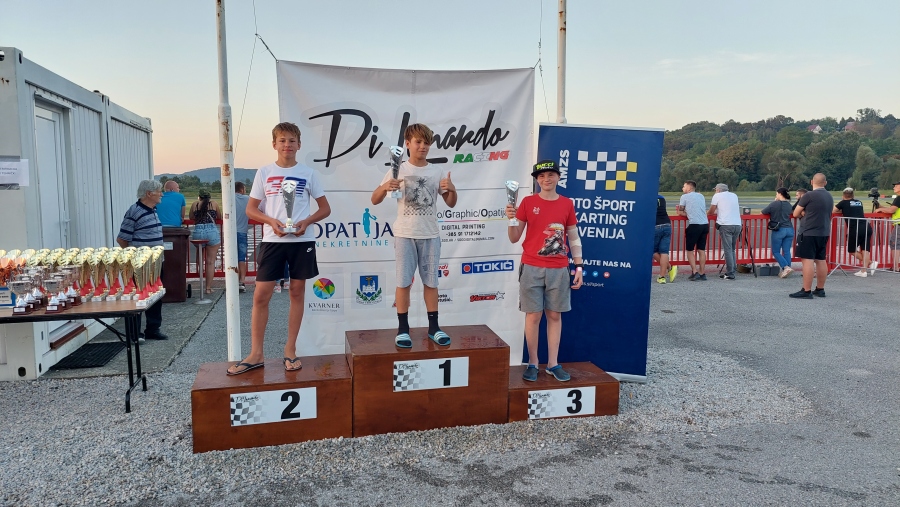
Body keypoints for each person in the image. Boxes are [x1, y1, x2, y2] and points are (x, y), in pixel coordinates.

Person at [227, 122, 331, 376]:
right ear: (274, 144)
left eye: (292, 140)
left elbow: (325, 208)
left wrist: (306, 222)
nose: (287, 145)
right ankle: (256, 353)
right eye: (282, 140)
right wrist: (271, 221)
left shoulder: (308, 173)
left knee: (297, 292)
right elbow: (251, 209)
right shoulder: (264, 172)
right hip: (273, 241)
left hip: (302, 242)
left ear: (299, 144)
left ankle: (290, 349)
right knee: (261, 295)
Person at [371, 123, 457, 348]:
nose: (423, 146)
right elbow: (374, 199)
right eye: (418, 142)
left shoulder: (437, 171)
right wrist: (385, 187)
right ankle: (403, 329)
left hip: (430, 234)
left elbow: (450, 203)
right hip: (404, 235)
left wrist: (452, 189)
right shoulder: (398, 169)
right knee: (403, 282)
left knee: (431, 282)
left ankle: (434, 328)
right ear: (407, 144)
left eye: (427, 142)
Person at [505, 161, 583, 382]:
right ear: (536, 180)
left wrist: (579, 266)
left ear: (558, 177)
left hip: (559, 268)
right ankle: (532, 362)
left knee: (555, 315)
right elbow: (514, 237)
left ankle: (552, 364)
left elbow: (574, 237)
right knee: (533, 316)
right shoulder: (527, 202)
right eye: (541, 176)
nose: (546, 179)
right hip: (531, 266)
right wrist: (510, 219)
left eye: (550, 175)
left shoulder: (567, 203)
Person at [116, 179, 167, 341]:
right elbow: (122, 239)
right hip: (140, 265)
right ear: (149, 194)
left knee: (156, 296)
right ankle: (134, 334)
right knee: (137, 297)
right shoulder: (134, 211)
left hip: (156, 263)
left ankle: (153, 329)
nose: (161, 194)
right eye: (159, 191)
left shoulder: (153, 210)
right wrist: (134, 259)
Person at [790, 173, 834, 299]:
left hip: (808, 232)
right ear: (825, 183)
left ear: (811, 182)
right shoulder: (829, 196)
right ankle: (820, 289)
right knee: (820, 260)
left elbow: (795, 213)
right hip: (823, 232)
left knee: (807, 260)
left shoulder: (808, 195)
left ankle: (806, 290)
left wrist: (804, 212)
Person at [834, 188, 876, 277]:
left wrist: (842, 210)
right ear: (853, 195)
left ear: (843, 196)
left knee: (852, 250)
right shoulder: (859, 202)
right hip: (866, 226)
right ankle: (864, 271)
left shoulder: (843, 203)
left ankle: (870, 263)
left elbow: (833, 210)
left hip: (855, 228)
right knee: (865, 249)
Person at [189, 190, 222, 294]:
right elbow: (219, 216)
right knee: (210, 262)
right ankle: (208, 288)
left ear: (199, 197)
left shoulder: (195, 204)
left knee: (200, 258)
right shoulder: (214, 204)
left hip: (198, 231)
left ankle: (200, 284)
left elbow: (191, 217)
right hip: (211, 231)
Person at [708, 183, 742, 280]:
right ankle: (733, 269)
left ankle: (730, 272)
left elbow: (711, 211)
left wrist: (707, 213)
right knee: (732, 249)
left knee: (727, 249)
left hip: (726, 224)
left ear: (718, 190)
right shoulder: (734, 195)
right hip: (737, 224)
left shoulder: (717, 196)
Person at [677, 180, 709, 281]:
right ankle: (702, 272)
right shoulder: (701, 196)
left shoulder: (684, 197)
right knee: (701, 250)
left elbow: (680, 212)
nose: (683, 188)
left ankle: (695, 271)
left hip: (694, 224)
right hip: (705, 224)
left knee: (690, 250)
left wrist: (688, 214)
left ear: (689, 188)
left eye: (684, 186)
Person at [761, 187, 795, 278]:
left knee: (776, 251)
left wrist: (775, 201)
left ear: (780, 194)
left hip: (779, 229)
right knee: (786, 251)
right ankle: (787, 268)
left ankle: (786, 267)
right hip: (789, 229)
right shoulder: (788, 205)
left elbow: (764, 212)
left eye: (776, 194)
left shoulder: (774, 204)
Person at [873, 181, 900, 271]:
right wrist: (880, 206)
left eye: (896, 186)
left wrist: (879, 209)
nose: (894, 188)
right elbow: (892, 209)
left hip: (899, 224)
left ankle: (895, 267)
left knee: (895, 244)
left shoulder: (899, 198)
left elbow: (891, 210)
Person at [653, 194, 677, 284]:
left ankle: (669, 268)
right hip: (667, 224)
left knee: (653, 250)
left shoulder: (648, 198)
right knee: (664, 252)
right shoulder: (662, 197)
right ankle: (662, 276)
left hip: (656, 225)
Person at [234, 181, 250, 292]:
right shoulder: (247, 199)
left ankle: (232, 280)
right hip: (242, 232)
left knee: (232, 258)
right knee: (241, 258)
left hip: (230, 233)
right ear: (242, 189)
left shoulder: (229, 198)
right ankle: (242, 281)